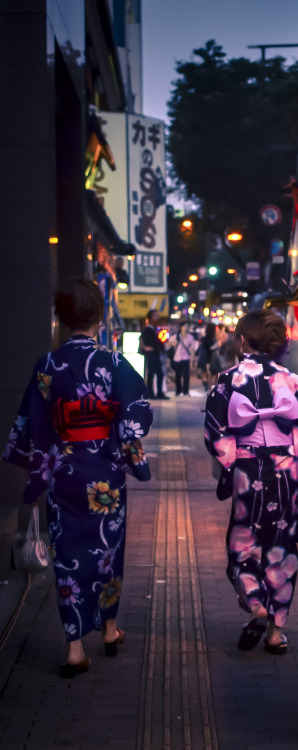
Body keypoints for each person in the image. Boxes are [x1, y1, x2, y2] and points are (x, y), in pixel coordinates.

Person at [2, 277, 153, 677]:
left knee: (67, 557)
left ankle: (73, 648)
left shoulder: (47, 365)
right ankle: (108, 629)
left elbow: (31, 423)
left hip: (63, 473)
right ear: (100, 317)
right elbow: (137, 413)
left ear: (60, 317)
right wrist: (128, 452)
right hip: (105, 473)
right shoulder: (114, 362)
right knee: (107, 553)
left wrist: (39, 469)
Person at [204, 309, 298, 654]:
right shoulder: (291, 379)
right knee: (281, 544)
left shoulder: (227, 379)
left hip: (248, 468)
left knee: (244, 543)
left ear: (241, 341)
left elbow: (214, 430)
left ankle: (255, 605)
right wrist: (294, 455)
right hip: (289, 470)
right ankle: (275, 632)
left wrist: (231, 461)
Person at [140, 309, 168, 400]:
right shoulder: (148, 329)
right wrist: (145, 348)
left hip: (155, 354)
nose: (157, 317)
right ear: (150, 318)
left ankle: (158, 393)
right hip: (151, 354)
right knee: (152, 374)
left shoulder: (154, 329)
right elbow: (140, 338)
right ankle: (151, 393)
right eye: (154, 316)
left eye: (157, 315)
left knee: (159, 373)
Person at [169, 320, 196, 396]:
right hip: (176, 358)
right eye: (185, 326)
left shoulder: (190, 337)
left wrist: (192, 360)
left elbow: (192, 349)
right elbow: (170, 344)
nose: (186, 328)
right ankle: (178, 390)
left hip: (186, 358)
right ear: (181, 327)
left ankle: (186, 391)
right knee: (178, 375)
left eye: (187, 326)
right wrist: (174, 343)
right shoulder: (176, 336)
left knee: (186, 375)